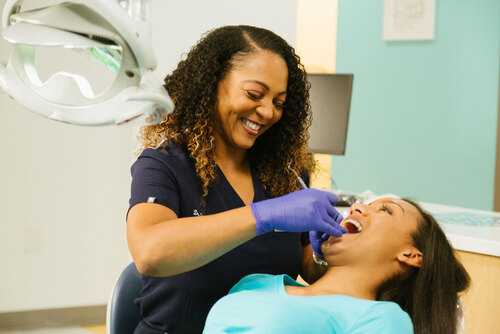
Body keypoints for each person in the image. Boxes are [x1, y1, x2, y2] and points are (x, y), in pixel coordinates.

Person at [126, 25, 346, 334]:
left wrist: (327, 256)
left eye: (280, 102)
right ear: (212, 84)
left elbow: (310, 269)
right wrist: (263, 215)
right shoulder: (164, 166)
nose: (268, 112)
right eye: (255, 94)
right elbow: (150, 254)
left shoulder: (287, 173)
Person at [203, 198, 471, 334]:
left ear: (411, 255)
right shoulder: (256, 282)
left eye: (386, 210)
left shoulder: (383, 320)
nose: (357, 207)